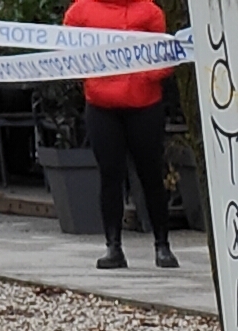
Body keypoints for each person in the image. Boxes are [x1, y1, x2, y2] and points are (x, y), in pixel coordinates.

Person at [60, 0, 179, 274]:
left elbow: (166, 59)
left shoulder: (149, 12)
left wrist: (140, 72)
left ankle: (162, 244)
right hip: (102, 105)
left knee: (151, 174)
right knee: (109, 175)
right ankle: (113, 246)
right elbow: (66, 53)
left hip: (144, 104)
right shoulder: (81, 11)